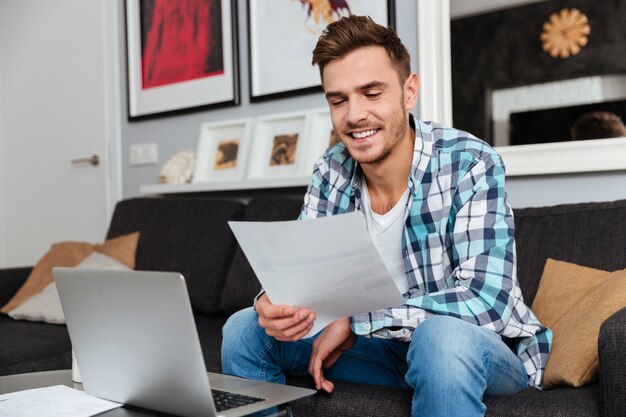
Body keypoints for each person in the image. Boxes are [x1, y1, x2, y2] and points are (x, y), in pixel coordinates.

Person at [222, 15, 551, 417]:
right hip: (380, 352)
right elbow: (304, 279)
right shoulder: (331, 169)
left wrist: (358, 321)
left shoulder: (470, 163)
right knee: (242, 330)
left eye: (371, 93)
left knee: (441, 339)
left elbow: (486, 302)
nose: (354, 115)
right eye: (338, 99)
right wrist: (275, 303)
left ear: (408, 91)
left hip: (476, 353)